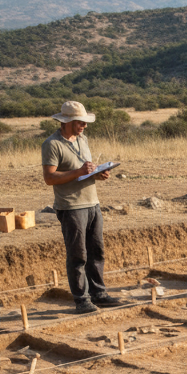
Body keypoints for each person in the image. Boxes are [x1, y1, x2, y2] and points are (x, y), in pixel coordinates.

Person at [41, 100, 119, 314]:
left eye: (84, 122)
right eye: (80, 122)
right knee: (78, 255)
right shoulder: (52, 144)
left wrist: (99, 174)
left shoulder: (83, 139)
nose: (84, 125)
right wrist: (78, 172)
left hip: (93, 202)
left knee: (97, 251)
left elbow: (85, 171)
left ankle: (98, 294)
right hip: (71, 206)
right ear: (66, 122)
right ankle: (81, 299)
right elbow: (49, 178)